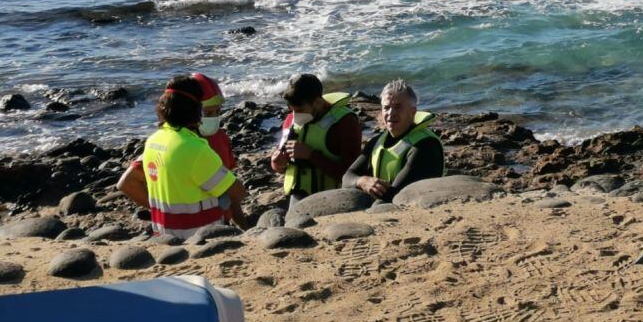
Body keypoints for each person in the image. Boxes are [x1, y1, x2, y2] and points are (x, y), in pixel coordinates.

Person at [118, 76, 247, 238]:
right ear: (197, 111)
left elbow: (127, 183)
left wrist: (166, 212)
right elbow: (237, 192)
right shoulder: (196, 148)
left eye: (217, 111)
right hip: (200, 234)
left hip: (164, 234)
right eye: (208, 112)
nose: (214, 117)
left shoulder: (154, 141)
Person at [270, 74, 364, 207]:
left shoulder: (345, 122)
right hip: (298, 196)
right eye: (292, 110)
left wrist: (310, 155)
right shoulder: (291, 119)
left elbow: (352, 175)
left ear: (318, 102)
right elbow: (280, 167)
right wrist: (276, 163)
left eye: (300, 110)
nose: (295, 116)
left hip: (334, 199)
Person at [346, 79, 444, 204]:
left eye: (398, 107)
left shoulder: (425, 146)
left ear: (412, 112)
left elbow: (395, 195)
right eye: (386, 108)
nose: (391, 113)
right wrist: (362, 181)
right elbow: (347, 177)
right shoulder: (377, 141)